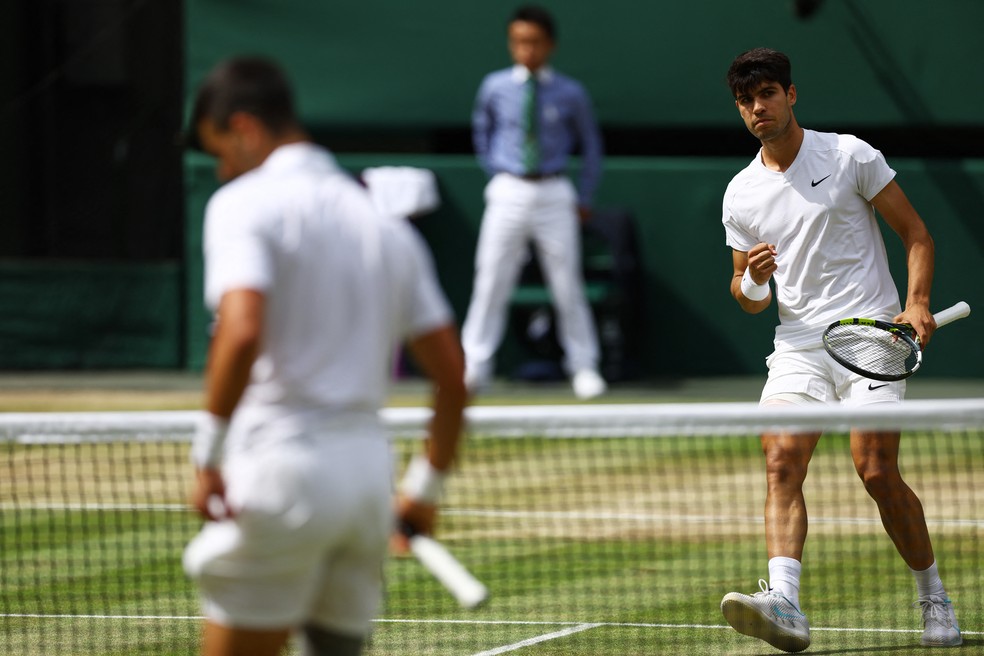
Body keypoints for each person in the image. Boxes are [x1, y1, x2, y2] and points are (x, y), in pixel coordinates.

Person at [182, 56, 467, 656]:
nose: (221, 170)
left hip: (281, 475)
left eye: (221, 152)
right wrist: (424, 488)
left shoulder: (241, 204)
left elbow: (240, 331)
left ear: (245, 128)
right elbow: (452, 374)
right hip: (366, 485)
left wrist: (207, 455)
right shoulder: (385, 225)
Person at [719, 47, 961, 652]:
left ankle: (933, 596)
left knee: (875, 469)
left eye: (767, 94)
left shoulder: (850, 155)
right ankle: (786, 603)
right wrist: (755, 280)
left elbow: (917, 234)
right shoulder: (741, 193)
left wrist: (918, 302)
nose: (758, 107)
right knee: (780, 460)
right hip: (798, 344)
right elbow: (745, 297)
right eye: (746, 101)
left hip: (872, 333)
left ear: (791, 95)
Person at [461, 4, 607, 400]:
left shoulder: (570, 92)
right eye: (518, 41)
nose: (526, 49)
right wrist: (498, 173)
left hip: (554, 191)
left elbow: (591, 145)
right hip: (508, 189)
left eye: (534, 41)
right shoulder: (494, 87)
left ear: (550, 45)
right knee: (490, 278)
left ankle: (583, 366)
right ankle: (475, 366)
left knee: (566, 282)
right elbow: (482, 133)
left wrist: (585, 195)